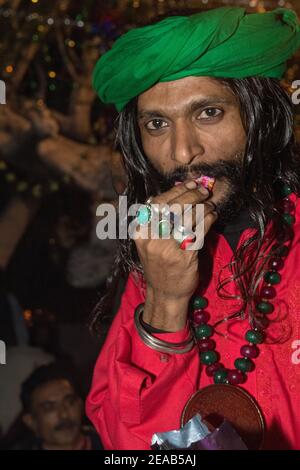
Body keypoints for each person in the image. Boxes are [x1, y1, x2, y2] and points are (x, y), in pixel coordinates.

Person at [86, 6, 300, 450]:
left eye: (208, 113)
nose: (183, 152)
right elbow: (131, 448)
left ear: (257, 112)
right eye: (157, 124)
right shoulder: (156, 262)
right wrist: (166, 301)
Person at [17, 363, 102, 450]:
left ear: (81, 404)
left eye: (70, 402)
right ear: (30, 421)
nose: (64, 415)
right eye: (49, 408)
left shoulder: (109, 441)